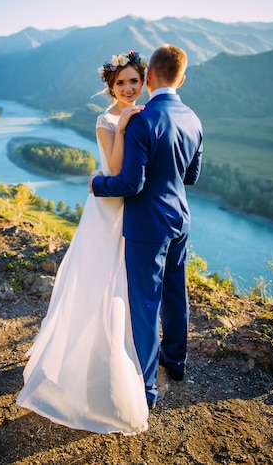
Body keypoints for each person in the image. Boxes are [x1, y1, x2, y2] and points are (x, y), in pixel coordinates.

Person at [16, 50, 150, 435]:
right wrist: (122, 127)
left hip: (131, 213)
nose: (128, 88)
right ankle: (77, 375)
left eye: (134, 81)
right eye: (121, 82)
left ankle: (105, 366)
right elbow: (114, 169)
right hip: (106, 213)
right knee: (97, 285)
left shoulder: (143, 114)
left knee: (120, 290)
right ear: (110, 87)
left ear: (143, 83)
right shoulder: (107, 119)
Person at [90, 45, 203, 410]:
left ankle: (146, 388)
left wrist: (97, 185)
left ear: (149, 78)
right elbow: (191, 176)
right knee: (175, 294)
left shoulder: (141, 120)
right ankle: (178, 362)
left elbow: (130, 185)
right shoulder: (193, 118)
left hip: (146, 227)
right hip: (179, 220)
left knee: (144, 305)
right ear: (181, 79)